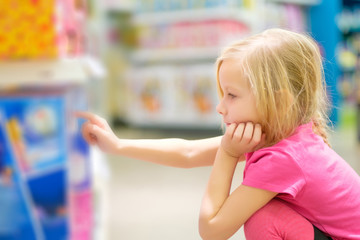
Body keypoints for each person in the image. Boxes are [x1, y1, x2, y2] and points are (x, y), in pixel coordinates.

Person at [76, 28, 360, 240]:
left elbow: (212, 229)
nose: (220, 106)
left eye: (232, 96)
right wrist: (118, 145)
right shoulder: (283, 131)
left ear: (280, 101)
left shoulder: (285, 158)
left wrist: (227, 154)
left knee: (262, 217)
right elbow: (188, 152)